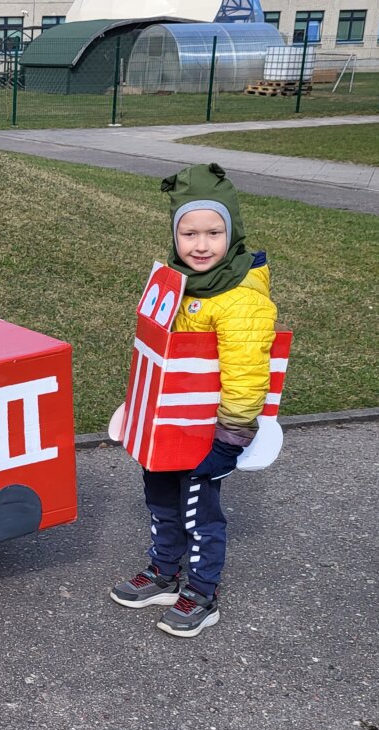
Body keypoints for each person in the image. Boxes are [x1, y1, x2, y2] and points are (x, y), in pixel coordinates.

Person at [109, 163, 277, 638]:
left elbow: (247, 375)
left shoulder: (241, 299)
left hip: (208, 433)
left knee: (199, 512)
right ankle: (164, 573)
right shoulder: (177, 285)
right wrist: (141, 410)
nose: (201, 245)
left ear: (233, 232)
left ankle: (203, 593)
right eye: (189, 233)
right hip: (167, 425)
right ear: (175, 234)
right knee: (161, 499)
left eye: (213, 233)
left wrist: (230, 440)